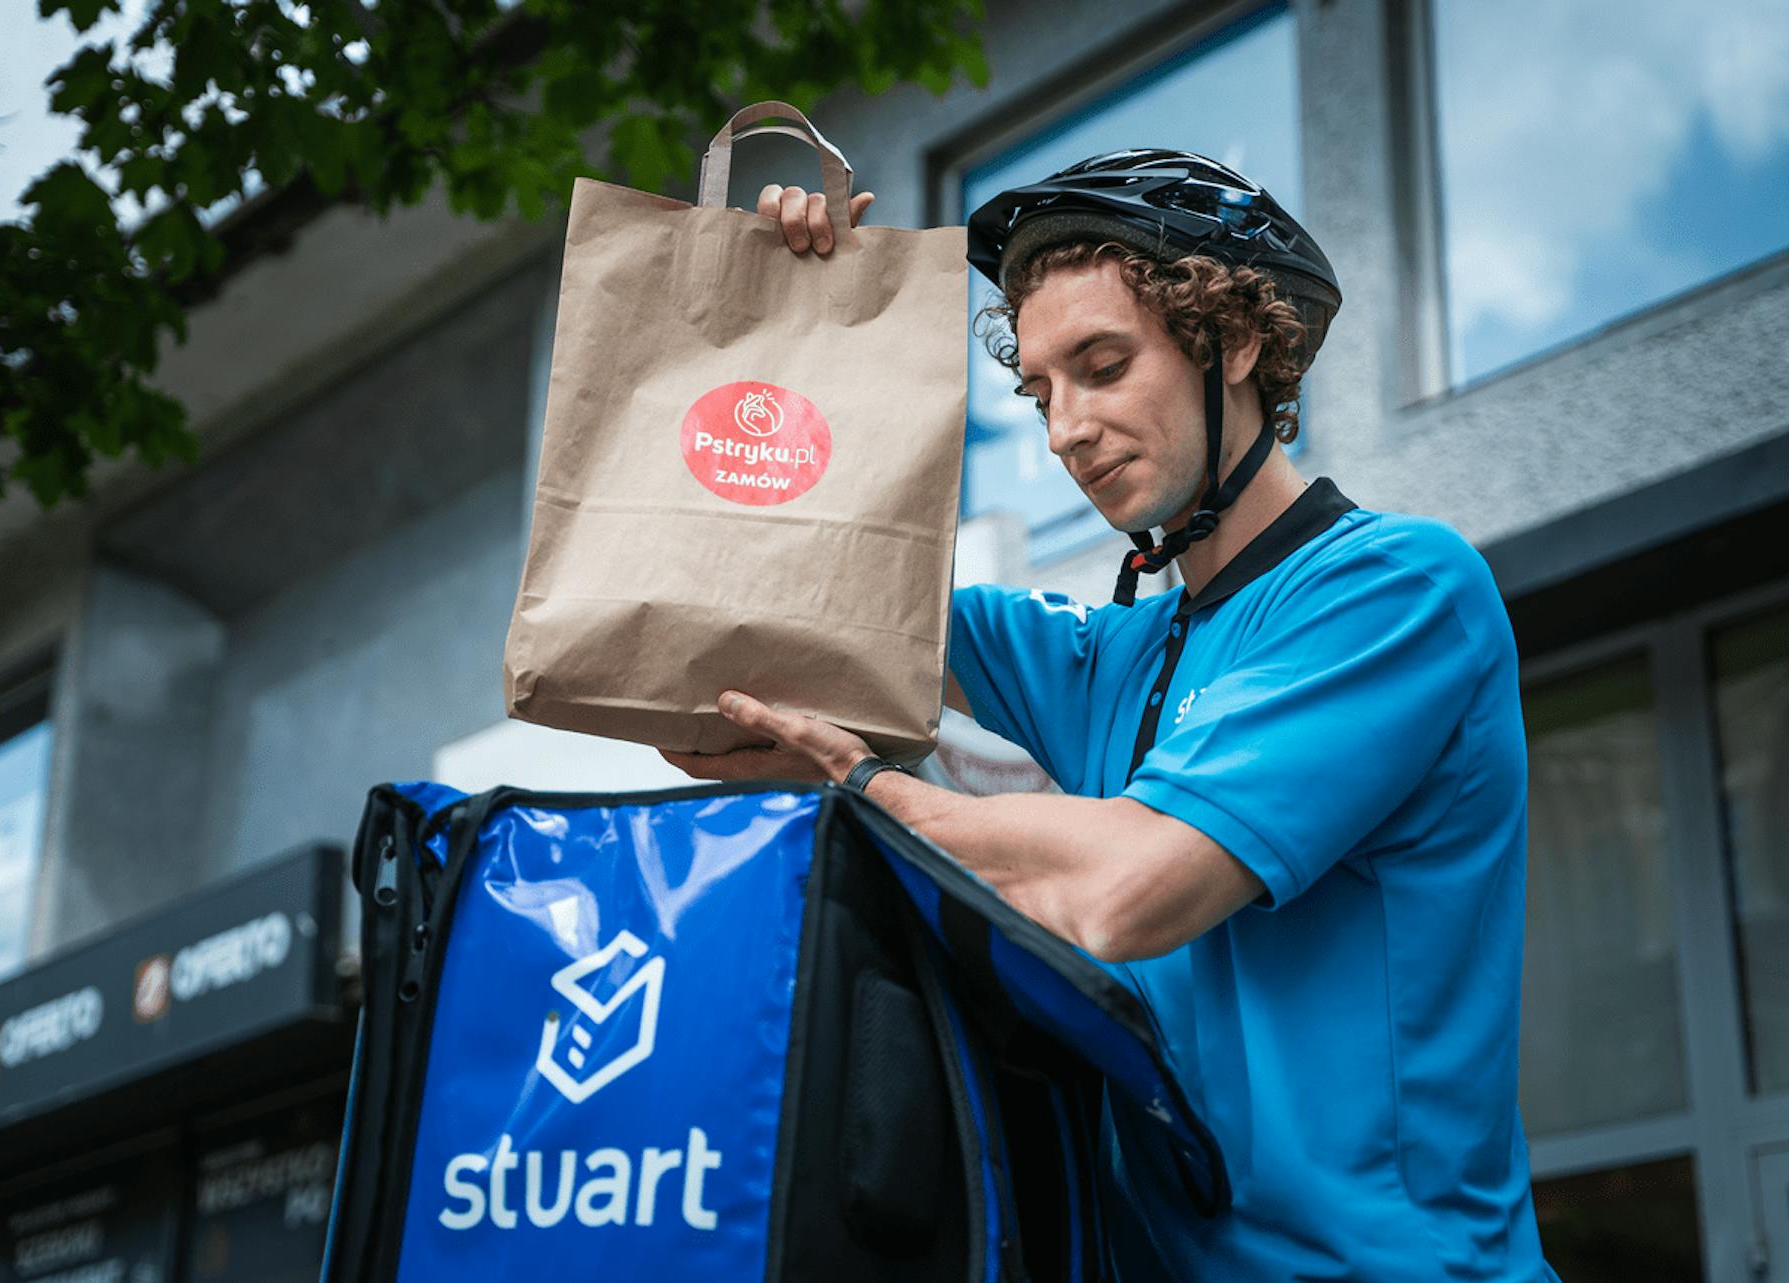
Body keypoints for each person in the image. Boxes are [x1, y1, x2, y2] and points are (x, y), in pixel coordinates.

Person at [667, 152, 1559, 1282]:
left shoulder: (1400, 588)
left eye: (1102, 365)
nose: (1065, 432)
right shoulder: (1107, 653)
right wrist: (796, 327)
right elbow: (756, 631)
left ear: (1231, 339)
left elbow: (1131, 887)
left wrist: (861, 783)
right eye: (1042, 392)